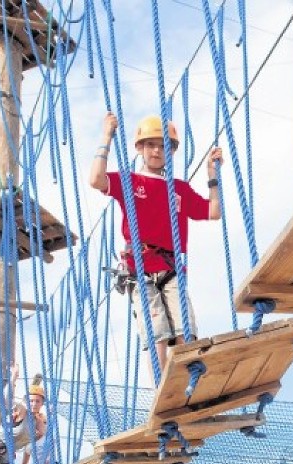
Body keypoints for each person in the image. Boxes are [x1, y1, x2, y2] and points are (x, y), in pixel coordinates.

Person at [89, 112, 224, 375]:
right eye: (151, 144)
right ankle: (163, 390)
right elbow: (96, 180)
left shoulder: (179, 189)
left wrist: (212, 177)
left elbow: (213, 212)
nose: (157, 151)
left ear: (171, 151)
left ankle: (189, 385)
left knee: (186, 330)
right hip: (140, 268)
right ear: (140, 147)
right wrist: (106, 136)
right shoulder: (130, 181)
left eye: (164, 146)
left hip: (170, 266)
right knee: (158, 334)